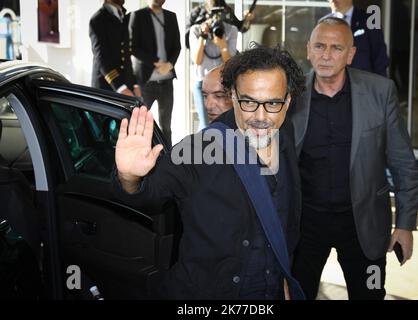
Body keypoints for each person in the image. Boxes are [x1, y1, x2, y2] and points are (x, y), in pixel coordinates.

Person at [112, 46, 305, 299]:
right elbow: (146, 196)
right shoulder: (198, 149)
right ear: (233, 97)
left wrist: (283, 276)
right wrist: (129, 176)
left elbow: (288, 212)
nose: (260, 116)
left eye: (272, 103)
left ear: (287, 101)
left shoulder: (285, 131)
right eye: (248, 102)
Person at [291, 18, 418, 300]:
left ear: (351, 55)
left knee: (370, 295)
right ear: (308, 49)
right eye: (320, 46)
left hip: (363, 223)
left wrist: (405, 225)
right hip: (305, 224)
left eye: (337, 48)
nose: (326, 55)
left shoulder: (380, 92)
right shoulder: (291, 93)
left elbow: (403, 164)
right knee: (296, 295)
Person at [129, 0, 181, 147]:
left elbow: (177, 46)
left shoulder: (171, 16)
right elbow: (133, 47)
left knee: (166, 128)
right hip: (146, 82)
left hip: (167, 81)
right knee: (139, 124)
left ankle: (168, 161)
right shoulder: (137, 16)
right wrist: (156, 62)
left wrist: (170, 64)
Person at [190, 0, 238, 130]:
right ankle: (203, 148)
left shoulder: (231, 30)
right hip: (202, 84)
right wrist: (202, 36)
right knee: (206, 124)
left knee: (225, 122)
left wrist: (223, 45)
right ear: (205, 13)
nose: (215, 17)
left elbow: (231, 63)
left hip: (223, 85)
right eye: (212, 13)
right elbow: (197, 60)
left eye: (219, 13)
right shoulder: (196, 30)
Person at [321, 0, 389, 77]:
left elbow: (380, 57)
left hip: (363, 82)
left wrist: (379, 85)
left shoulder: (370, 20)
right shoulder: (323, 23)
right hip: (332, 82)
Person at [89, 0, 139, 97]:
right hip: (106, 87)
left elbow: (126, 54)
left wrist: (134, 84)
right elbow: (101, 57)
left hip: (126, 85)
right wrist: (120, 88)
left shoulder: (124, 17)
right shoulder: (97, 19)